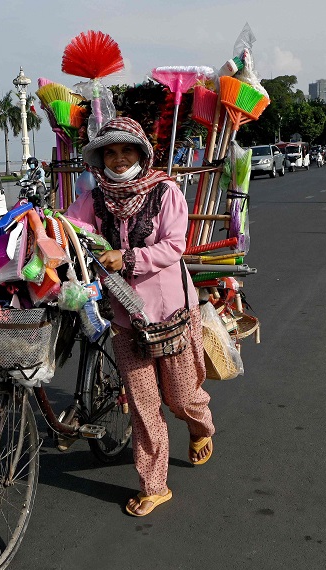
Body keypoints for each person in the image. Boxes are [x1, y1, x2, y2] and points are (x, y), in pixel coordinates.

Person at [65, 117, 215, 518]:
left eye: (126, 150)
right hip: (124, 318)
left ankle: (201, 425)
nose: (118, 159)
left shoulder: (165, 191)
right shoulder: (95, 198)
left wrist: (127, 257)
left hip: (170, 313)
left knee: (181, 397)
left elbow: (174, 246)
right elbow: (69, 227)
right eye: (110, 153)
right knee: (145, 406)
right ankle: (155, 485)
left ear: (141, 154)